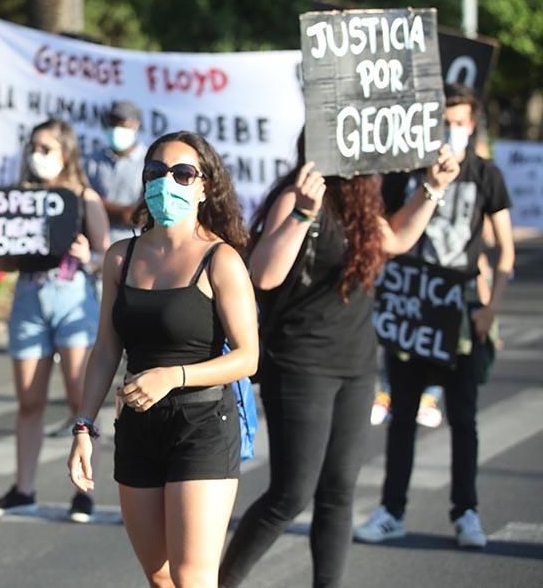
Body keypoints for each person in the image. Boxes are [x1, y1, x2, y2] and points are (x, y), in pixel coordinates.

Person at [217, 135, 460, 588]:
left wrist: (432, 187)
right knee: (290, 494)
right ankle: (221, 582)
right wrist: (303, 213)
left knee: (338, 493)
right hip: (300, 363)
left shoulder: (361, 201)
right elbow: (264, 274)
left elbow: (397, 240)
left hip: (356, 364)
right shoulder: (297, 194)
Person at [68, 130, 258, 586]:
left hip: (203, 425)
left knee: (193, 578)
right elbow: (106, 350)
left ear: (204, 187)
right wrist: (83, 426)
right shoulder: (120, 257)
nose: (165, 182)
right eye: (155, 172)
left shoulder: (221, 260)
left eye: (181, 172)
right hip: (138, 426)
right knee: (161, 578)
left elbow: (249, 357)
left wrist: (174, 375)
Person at [355, 84, 515, 550]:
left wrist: (490, 308)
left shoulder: (486, 175)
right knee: (402, 414)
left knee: (463, 417)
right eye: (446, 119)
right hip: (410, 307)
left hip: (460, 310)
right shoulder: (404, 173)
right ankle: (392, 510)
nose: (453, 128)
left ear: (473, 124)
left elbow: (504, 249)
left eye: (461, 120)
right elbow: (381, 232)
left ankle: (466, 511)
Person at [0, 119, 109, 523]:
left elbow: (106, 255)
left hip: (71, 298)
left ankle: (83, 490)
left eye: (46, 148)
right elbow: (7, 252)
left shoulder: (84, 197)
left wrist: (87, 253)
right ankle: (24, 488)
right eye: (33, 147)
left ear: (65, 153)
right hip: (29, 298)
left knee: (79, 398)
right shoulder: (18, 198)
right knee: (30, 401)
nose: (37, 155)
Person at [84, 100, 147, 243]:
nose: (116, 128)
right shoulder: (93, 161)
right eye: (112, 123)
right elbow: (83, 204)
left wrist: (97, 206)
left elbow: (142, 216)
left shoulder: (149, 161)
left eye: (122, 123)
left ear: (135, 124)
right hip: (97, 248)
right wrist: (125, 213)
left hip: (136, 248)